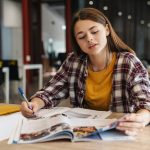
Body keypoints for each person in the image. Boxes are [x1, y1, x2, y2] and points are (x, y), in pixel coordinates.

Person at [21, 7, 150, 136]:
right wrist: (35, 104)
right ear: (77, 42)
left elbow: (146, 104)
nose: (89, 39)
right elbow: (51, 92)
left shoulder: (128, 62)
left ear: (107, 29)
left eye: (94, 31)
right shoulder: (74, 61)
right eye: (81, 36)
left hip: (119, 132)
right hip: (83, 132)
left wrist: (140, 119)